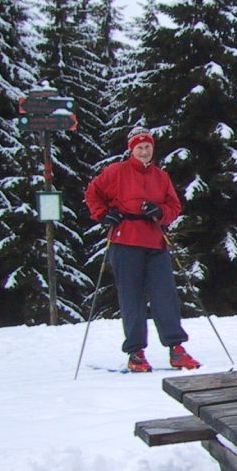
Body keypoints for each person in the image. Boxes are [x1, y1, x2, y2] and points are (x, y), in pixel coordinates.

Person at [84, 126, 200, 373]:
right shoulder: (116, 172)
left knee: (165, 295)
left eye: (148, 147)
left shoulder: (160, 176)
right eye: (140, 147)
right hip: (125, 240)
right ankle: (136, 352)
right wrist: (104, 215)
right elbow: (92, 192)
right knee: (131, 298)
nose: (144, 151)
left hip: (155, 240)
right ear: (131, 149)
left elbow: (173, 206)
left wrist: (160, 213)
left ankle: (176, 349)